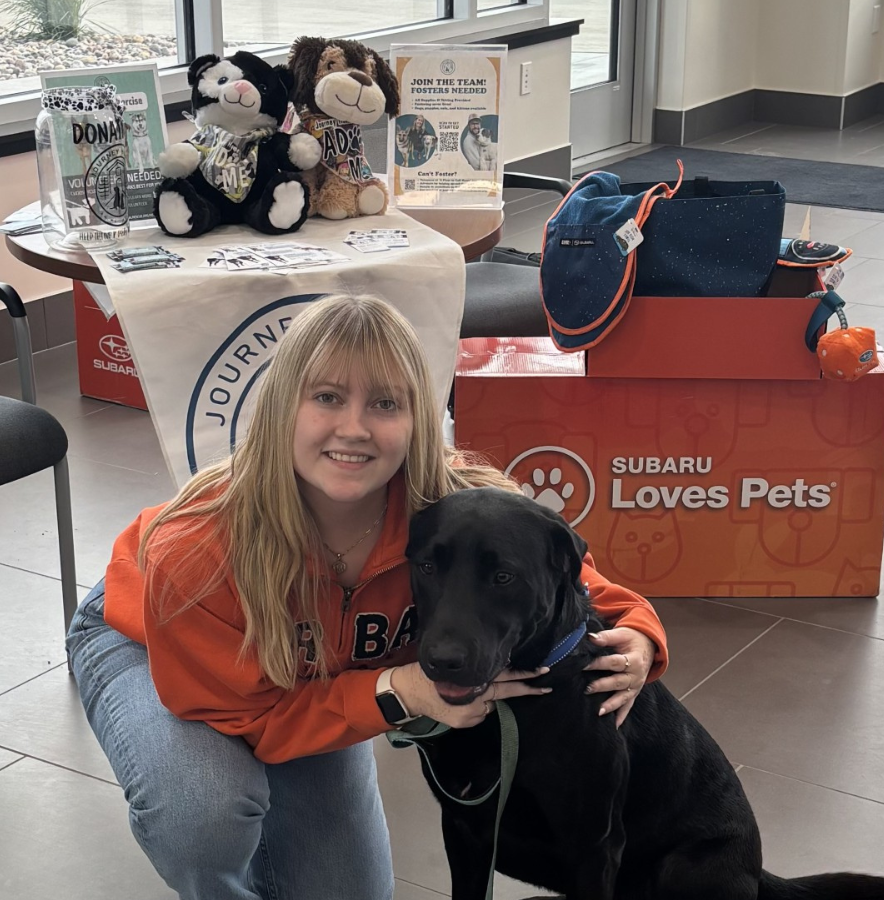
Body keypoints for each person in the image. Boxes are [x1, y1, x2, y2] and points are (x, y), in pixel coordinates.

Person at [66, 294, 670, 900]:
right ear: (282, 406)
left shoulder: (444, 505)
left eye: (385, 403)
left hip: (316, 675)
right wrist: (394, 692)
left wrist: (638, 629)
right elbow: (247, 720)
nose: (354, 429)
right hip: (155, 638)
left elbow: (560, 574)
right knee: (206, 808)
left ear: (417, 418)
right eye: (327, 397)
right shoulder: (196, 552)